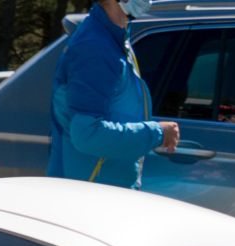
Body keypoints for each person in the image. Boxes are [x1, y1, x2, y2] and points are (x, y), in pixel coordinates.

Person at [48, 0, 180, 187]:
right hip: (87, 196)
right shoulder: (95, 47)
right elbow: (87, 134)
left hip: (100, 192)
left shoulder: (113, 38)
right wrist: (157, 132)